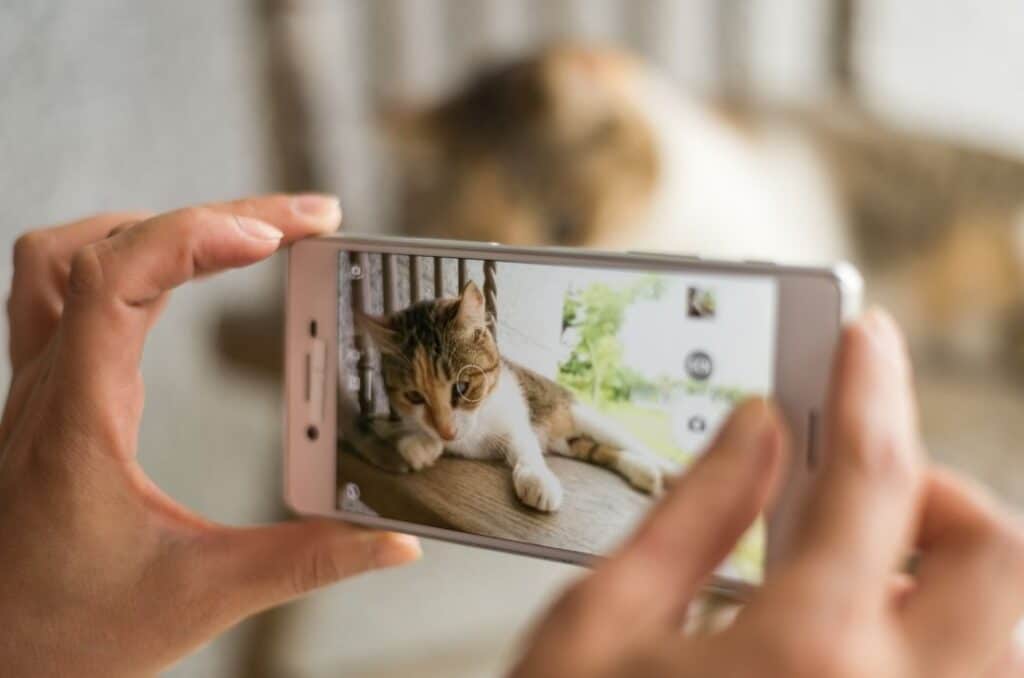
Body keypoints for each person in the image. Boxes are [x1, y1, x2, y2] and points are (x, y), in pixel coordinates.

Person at [0, 194, 1020, 677]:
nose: (436, 416)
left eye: (446, 396)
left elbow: (506, 434)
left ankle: (617, 452)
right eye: (415, 400)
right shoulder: (412, 383)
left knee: (563, 437)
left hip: (531, 417)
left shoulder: (492, 377)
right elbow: (432, 424)